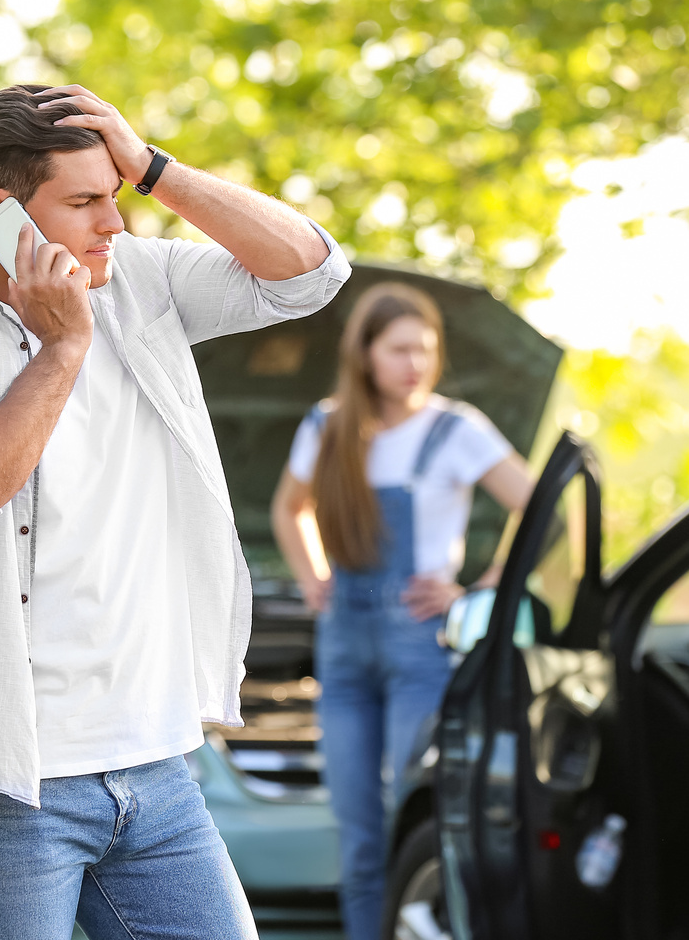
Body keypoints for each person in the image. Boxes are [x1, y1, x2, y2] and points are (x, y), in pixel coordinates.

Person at [0, 83, 350, 940]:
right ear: (0, 210)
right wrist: (65, 346)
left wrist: (155, 169)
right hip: (8, 783)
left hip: (155, 769)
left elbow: (310, 275)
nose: (111, 224)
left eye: (114, 195)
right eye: (84, 203)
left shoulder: (142, 279)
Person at [269, 283, 535, 940]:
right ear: (365, 354)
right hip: (344, 647)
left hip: (422, 650)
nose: (415, 363)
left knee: (410, 821)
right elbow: (288, 508)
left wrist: (478, 590)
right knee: (358, 832)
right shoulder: (327, 424)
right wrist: (314, 578)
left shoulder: (455, 428)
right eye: (399, 350)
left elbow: (540, 507)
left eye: (426, 349)